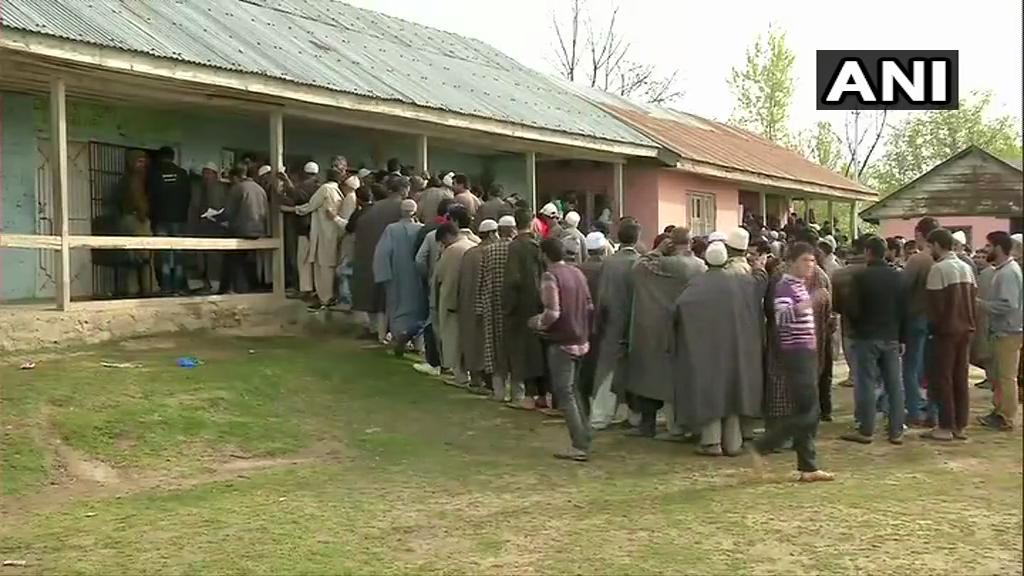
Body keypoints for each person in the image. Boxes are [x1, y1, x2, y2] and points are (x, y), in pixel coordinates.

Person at [751, 242, 834, 483]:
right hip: (795, 354)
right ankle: (764, 444)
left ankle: (808, 466)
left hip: (805, 352)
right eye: (806, 260)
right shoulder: (785, 286)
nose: (811, 265)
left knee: (806, 410)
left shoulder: (799, 286)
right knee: (810, 412)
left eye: (813, 261)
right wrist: (811, 302)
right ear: (792, 262)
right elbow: (783, 319)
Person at [673, 241, 764, 457]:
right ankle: (734, 443)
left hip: (706, 347)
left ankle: (711, 442)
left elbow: (679, 309)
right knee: (734, 391)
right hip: (737, 346)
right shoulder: (741, 282)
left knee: (711, 393)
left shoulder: (697, 284)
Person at [626, 227, 707, 437]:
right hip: (687, 326)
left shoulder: (665, 263)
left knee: (651, 377)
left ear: (671, 242)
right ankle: (681, 426)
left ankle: (648, 425)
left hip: (659, 326)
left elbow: (638, 268)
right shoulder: (701, 266)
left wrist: (658, 250)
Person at [529, 238, 594, 462]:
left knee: (564, 393)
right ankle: (585, 436)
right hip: (581, 339)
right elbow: (588, 306)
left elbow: (552, 312)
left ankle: (579, 444)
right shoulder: (577, 273)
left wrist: (536, 322)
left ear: (544, 255)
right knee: (575, 391)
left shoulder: (550, 276)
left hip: (562, 341)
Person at [840, 236, 907, 445]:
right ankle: (896, 430)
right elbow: (905, 310)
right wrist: (903, 337)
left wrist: (855, 327)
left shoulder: (860, 278)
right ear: (885, 252)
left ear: (868, 252)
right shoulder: (898, 277)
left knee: (866, 383)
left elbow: (851, 308)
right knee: (894, 384)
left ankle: (866, 429)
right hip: (891, 336)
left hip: (866, 336)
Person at [923, 228, 977, 441]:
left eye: (930, 246)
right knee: (960, 377)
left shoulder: (939, 269)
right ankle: (960, 425)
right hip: (966, 329)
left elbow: (934, 306)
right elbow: (973, 299)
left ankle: (945, 425)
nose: (929, 251)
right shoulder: (966, 267)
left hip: (945, 331)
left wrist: (932, 329)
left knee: (942, 378)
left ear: (936, 244)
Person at [590, 221, 642, 430]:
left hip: (612, 319)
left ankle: (600, 417)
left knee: (607, 370)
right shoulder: (640, 263)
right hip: (635, 322)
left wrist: (599, 321)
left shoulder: (609, 263)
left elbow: (601, 296)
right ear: (637, 239)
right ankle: (632, 415)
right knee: (634, 370)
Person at [976, 231, 1022, 430]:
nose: (986, 250)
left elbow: (1008, 305)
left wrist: (980, 304)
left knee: (1006, 376)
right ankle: (999, 411)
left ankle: (1007, 417)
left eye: (988, 246)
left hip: (1008, 332)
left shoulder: (1009, 272)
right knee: (998, 375)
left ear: (998, 247)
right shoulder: (1002, 270)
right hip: (1001, 330)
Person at [503, 208, 549, 410]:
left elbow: (513, 279)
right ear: (532, 222)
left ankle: (530, 396)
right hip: (542, 301)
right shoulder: (539, 245)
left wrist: (508, 306)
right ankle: (543, 395)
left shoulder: (516, 247)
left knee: (525, 352)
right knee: (540, 350)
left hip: (522, 304)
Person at [352, 176, 406, 342]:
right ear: (405, 190)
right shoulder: (404, 207)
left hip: (370, 256)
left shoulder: (372, 209)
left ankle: (375, 329)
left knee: (373, 295)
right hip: (397, 259)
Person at [285, 168, 346, 309]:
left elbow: (310, 206)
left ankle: (324, 298)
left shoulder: (325, 189)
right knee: (329, 266)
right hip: (332, 232)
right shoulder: (338, 191)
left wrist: (292, 209)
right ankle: (328, 297)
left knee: (322, 267)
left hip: (323, 233)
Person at [374, 198, 426, 355]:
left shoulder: (391, 229)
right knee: (418, 308)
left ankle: (399, 337)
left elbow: (382, 253)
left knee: (396, 307)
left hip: (396, 275)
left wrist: (383, 275)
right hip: (417, 276)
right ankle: (418, 343)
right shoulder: (421, 229)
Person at [902, 217, 941, 427]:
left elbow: (903, 288)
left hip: (916, 317)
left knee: (911, 367)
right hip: (936, 319)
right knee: (932, 367)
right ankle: (933, 411)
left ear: (919, 234)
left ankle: (914, 410)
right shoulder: (942, 259)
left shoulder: (918, 260)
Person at [476, 214, 518, 402]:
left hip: (492, 304)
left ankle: (499, 392)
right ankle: (517, 393)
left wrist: (480, 306)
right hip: (512, 306)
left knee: (494, 348)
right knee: (513, 348)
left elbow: (483, 280)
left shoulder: (489, 251)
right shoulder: (515, 249)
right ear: (512, 230)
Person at [434, 219, 480, 388]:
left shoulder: (452, 250)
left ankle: (460, 375)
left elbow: (439, 275)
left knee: (454, 340)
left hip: (452, 299)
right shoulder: (475, 244)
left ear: (447, 236)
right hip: (473, 299)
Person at [458, 219, 498, 394]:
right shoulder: (489, 252)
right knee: (486, 345)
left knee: (472, 343)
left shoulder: (469, 253)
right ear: (491, 233)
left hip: (467, 304)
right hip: (485, 306)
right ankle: (488, 382)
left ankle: (475, 378)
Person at [220, 164, 268, 294]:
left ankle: (229, 289)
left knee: (231, 259)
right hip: (258, 230)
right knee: (247, 260)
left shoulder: (237, 188)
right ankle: (248, 288)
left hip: (241, 230)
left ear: (235, 177)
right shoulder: (260, 189)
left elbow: (228, 213)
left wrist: (217, 218)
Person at [149, 146, 191, 294]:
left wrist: (152, 217)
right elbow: (187, 197)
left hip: (161, 219)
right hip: (179, 219)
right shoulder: (182, 174)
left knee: (165, 255)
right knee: (178, 254)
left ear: (160, 157)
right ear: (173, 157)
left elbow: (151, 197)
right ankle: (178, 286)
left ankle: (166, 287)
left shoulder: (155, 174)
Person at [280, 162, 320, 299]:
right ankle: (310, 288)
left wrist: (286, 181)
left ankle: (304, 289)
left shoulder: (307, 186)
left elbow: (297, 196)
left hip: (304, 226)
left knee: (302, 260)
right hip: (314, 227)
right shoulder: (319, 186)